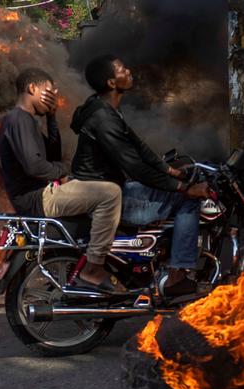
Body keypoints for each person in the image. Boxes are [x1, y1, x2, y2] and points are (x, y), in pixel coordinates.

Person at [69, 55, 209, 296]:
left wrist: (170, 170)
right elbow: (135, 167)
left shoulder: (104, 108)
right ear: (112, 83)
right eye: (123, 69)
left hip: (111, 187)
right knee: (187, 201)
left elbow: (139, 145)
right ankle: (178, 276)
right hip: (106, 197)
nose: (129, 71)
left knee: (171, 190)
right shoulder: (103, 119)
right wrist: (183, 187)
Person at [0, 67, 125, 292]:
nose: (53, 96)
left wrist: (52, 117)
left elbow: (51, 156)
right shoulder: (18, 119)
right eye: (48, 91)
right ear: (32, 88)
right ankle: (94, 268)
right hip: (38, 198)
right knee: (110, 194)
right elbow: (35, 166)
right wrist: (63, 173)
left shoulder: (25, 121)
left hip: (40, 194)